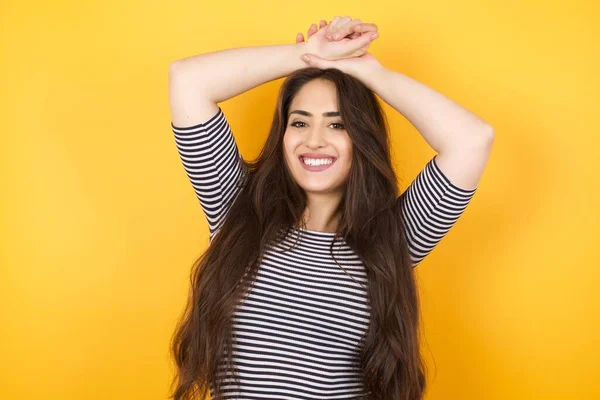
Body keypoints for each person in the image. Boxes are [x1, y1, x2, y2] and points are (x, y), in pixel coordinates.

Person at [167, 16, 493, 400]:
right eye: (300, 122)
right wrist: (310, 55)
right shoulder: (237, 208)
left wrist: (367, 70)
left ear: (362, 139)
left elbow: (472, 140)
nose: (315, 140)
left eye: (337, 125)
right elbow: (187, 81)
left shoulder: (393, 238)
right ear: (283, 134)